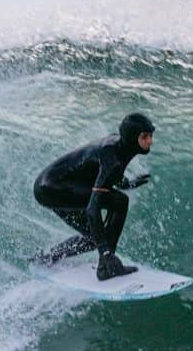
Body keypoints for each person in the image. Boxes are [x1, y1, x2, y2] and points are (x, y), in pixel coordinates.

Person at [33, 111, 155, 280]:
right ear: (133, 137)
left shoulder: (121, 147)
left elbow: (105, 175)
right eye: (145, 136)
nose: (150, 141)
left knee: (94, 237)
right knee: (120, 201)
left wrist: (128, 183)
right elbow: (92, 209)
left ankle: (48, 258)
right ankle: (107, 265)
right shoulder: (113, 156)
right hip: (51, 189)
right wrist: (105, 251)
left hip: (52, 185)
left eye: (150, 135)